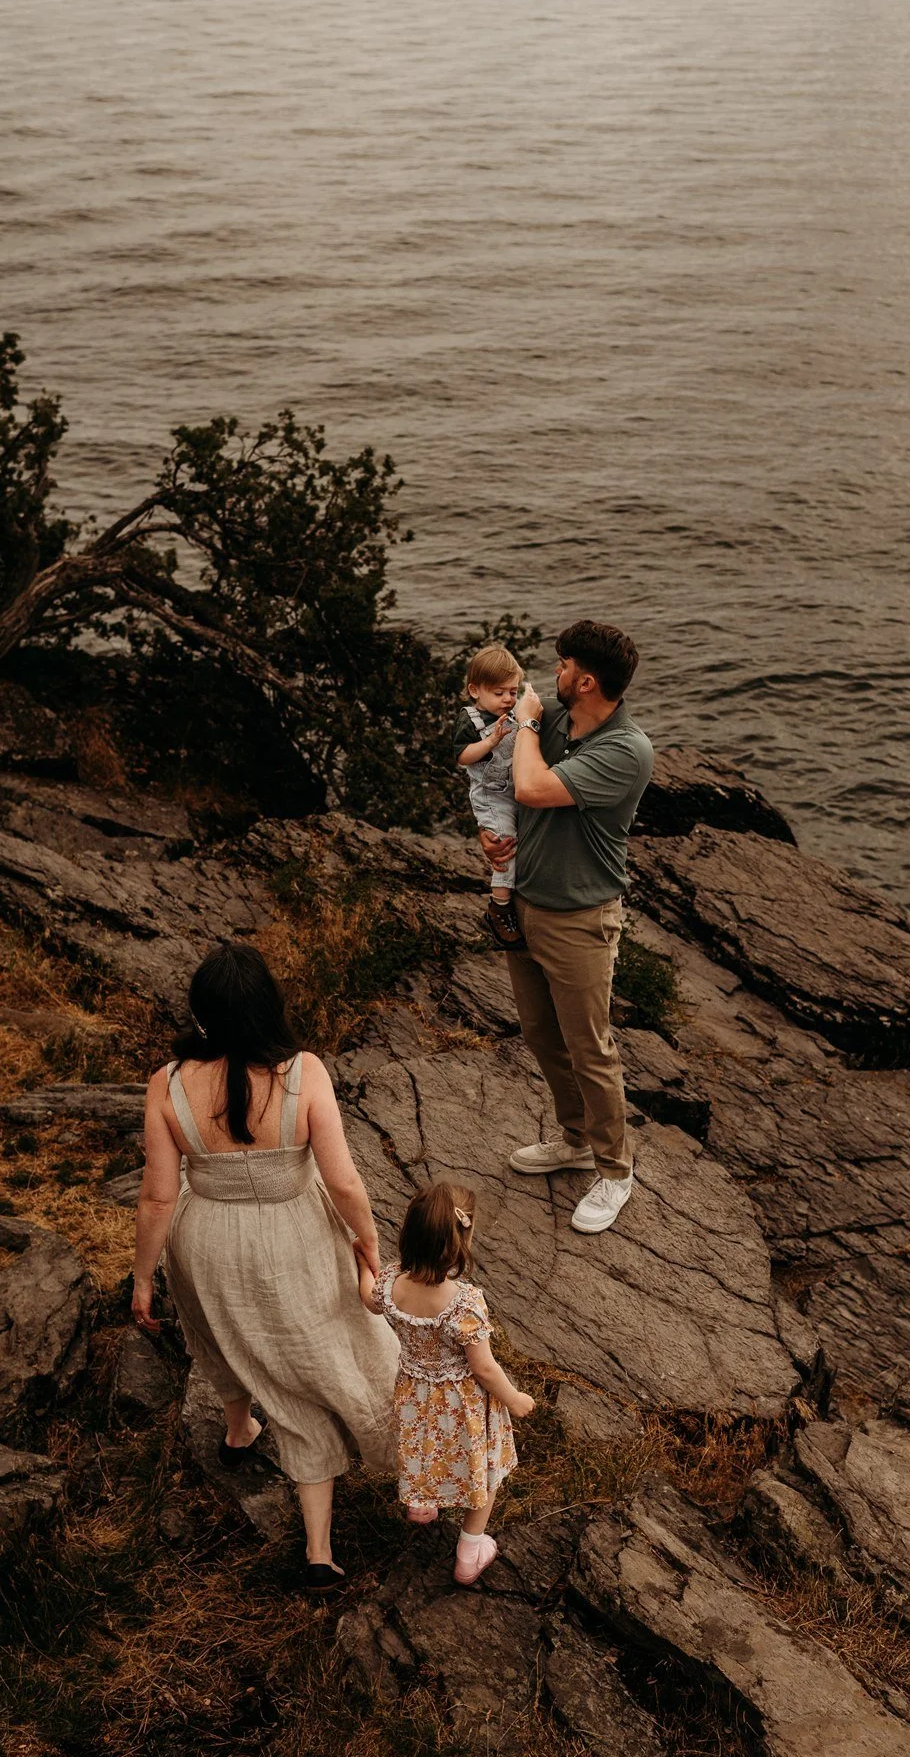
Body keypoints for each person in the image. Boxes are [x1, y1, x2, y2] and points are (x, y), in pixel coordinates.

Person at [132, 941, 399, 1591]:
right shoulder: (302, 1072)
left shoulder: (166, 1085)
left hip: (207, 1241)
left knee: (222, 1333)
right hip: (295, 1238)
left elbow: (158, 1196)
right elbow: (343, 1183)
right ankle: (317, 1549)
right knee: (308, 1363)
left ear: (202, 1016)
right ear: (267, 1009)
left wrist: (143, 1277)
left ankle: (237, 1427)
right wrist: (368, 1246)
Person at [482, 620, 654, 1236]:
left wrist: (525, 723)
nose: (550, 674)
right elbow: (500, 780)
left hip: (580, 918)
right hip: (527, 902)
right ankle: (576, 1138)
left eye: (561, 666)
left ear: (584, 680)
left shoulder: (626, 748)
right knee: (540, 1033)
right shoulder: (555, 722)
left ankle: (615, 1170)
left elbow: (531, 786)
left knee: (591, 1047)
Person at [358, 1181, 534, 1585]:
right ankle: (469, 1554)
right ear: (462, 1240)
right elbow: (485, 1368)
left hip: (415, 1395)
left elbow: (367, 1297)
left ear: (409, 1234)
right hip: (462, 1405)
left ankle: (422, 1505)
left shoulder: (390, 1284)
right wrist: (515, 1398)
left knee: (423, 1449)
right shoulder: (464, 1303)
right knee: (481, 1474)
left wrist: (361, 1262)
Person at [453, 643, 526, 950]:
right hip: (491, 797)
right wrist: (491, 741)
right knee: (504, 843)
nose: (508, 699)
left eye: (513, 691)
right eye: (499, 693)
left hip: (515, 789)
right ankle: (499, 905)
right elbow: (463, 756)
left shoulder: (512, 712)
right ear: (475, 690)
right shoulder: (470, 720)